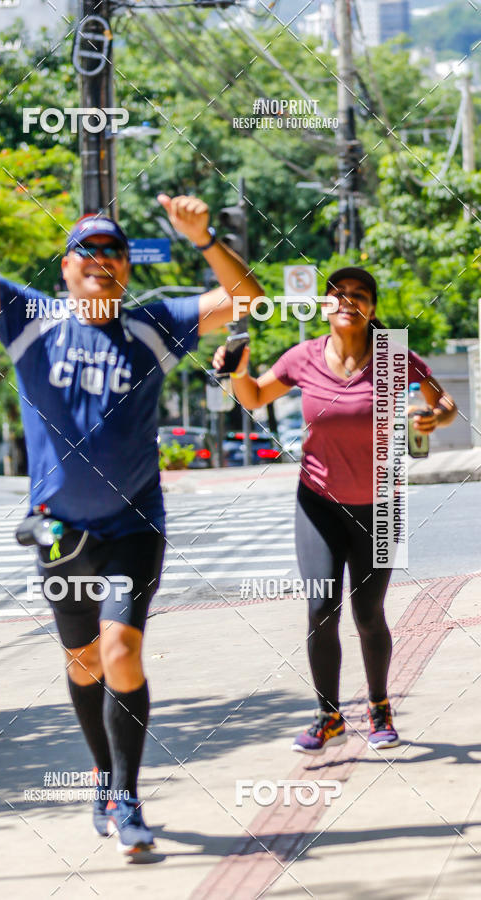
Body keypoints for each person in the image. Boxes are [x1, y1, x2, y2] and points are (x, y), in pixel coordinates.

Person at [0, 145, 264, 853]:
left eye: (114, 252)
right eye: (87, 251)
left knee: (121, 650)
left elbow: (246, 300)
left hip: (134, 525)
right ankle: (101, 772)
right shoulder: (31, 318)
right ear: (66, 267)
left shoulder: (151, 325)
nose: (102, 259)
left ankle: (125, 797)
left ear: (124, 268)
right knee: (84, 660)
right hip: (59, 533)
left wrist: (206, 240)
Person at [213, 267, 457, 755]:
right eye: (338, 294)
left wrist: (435, 417)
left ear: (371, 307)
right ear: (324, 305)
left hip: (382, 505)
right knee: (321, 607)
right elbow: (256, 397)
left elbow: (444, 402)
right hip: (318, 501)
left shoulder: (393, 356)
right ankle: (329, 717)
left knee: (369, 614)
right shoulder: (303, 357)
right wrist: (235, 372)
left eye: (359, 295)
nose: (347, 301)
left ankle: (380, 706)